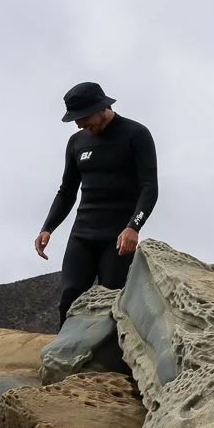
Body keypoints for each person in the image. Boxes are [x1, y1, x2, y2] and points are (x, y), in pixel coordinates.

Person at [34, 82, 158, 322]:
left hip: (118, 238)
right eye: (75, 119)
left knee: (111, 304)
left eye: (83, 117)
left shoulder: (136, 134)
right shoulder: (76, 142)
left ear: (102, 107)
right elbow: (67, 191)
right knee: (69, 298)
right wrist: (47, 227)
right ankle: (65, 347)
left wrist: (134, 226)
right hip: (82, 235)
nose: (79, 124)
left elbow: (149, 187)